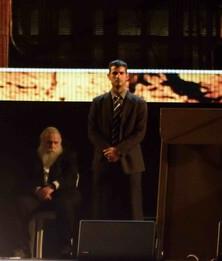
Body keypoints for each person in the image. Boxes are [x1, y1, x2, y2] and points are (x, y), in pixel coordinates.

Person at [88, 58, 148, 220]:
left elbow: (139, 133)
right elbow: (92, 131)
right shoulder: (98, 103)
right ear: (109, 76)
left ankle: (137, 244)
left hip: (130, 161)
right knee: (100, 209)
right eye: (114, 73)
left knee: (134, 210)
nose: (118, 77)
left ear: (127, 76)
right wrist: (108, 151)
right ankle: (98, 244)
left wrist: (118, 151)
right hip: (103, 160)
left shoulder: (139, 104)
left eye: (121, 73)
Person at [10, 126, 81, 259]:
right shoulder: (33, 155)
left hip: (61, 194)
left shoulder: (69, 155)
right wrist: (38, 190)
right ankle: (22, 248)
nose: (52, 145)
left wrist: (52, 187)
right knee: (20, 204)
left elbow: (70, 177)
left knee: (65, 204)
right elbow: (24, 178)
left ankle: (65, 248)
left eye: (55, 143)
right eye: (49, 142)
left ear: (60, 143)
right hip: (38, 197)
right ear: (42, 142)